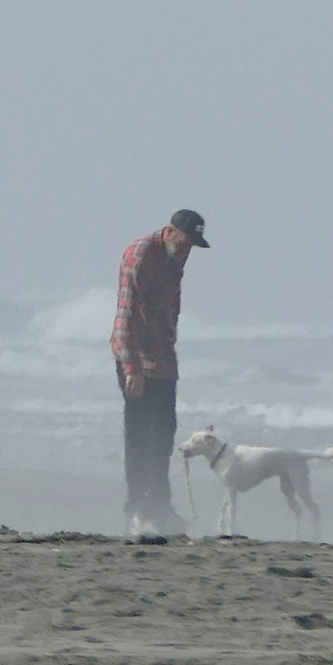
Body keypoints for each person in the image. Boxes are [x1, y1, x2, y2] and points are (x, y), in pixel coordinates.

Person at [111, 209, 209, 537]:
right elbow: (125, 315)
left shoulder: (176, 259)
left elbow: (169, 311)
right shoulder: (141, 255)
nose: (187, 251)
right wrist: (132, 369)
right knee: (140, 436)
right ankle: (137, 510)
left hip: (163, 357)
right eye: (184, 242)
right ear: (169, 232)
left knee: (164, 434)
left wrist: (168, 353)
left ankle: (159, 507)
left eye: (192, 246)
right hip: (135, 357)